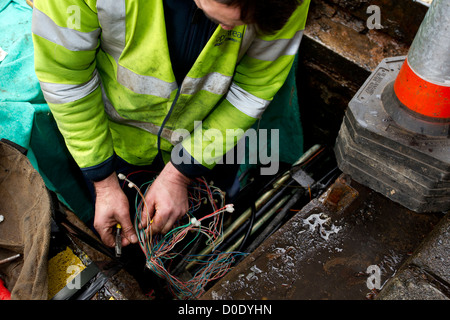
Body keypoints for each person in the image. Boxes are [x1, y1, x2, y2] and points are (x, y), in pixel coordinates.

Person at [32, 0, 311, 249]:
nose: (230, 30)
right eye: (223, 19)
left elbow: (253, 90)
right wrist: (104, 183)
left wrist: (181, 171)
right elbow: (66, 78)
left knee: (205, 223)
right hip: (119, 146)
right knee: (134, 238)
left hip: (212, 139)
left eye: (245, 26)